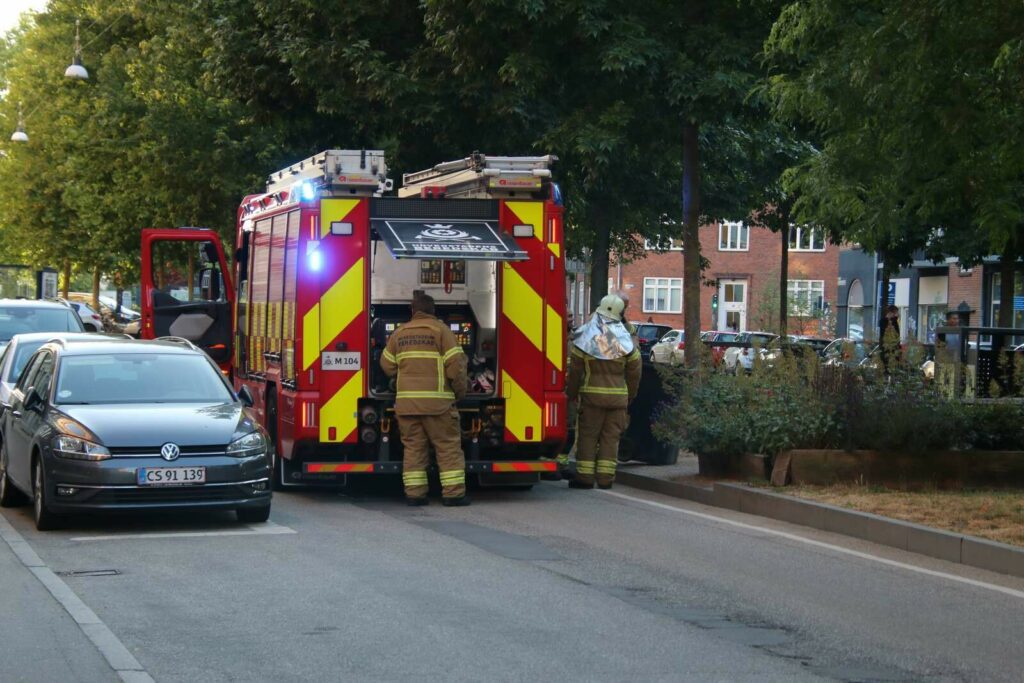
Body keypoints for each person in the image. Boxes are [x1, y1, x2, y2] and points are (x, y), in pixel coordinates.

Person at [381, 293, 470, 506]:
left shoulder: (399, 333)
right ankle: (453, 494)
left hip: (407, 406)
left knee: (413, 449)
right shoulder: (442, 331)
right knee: (447, 447)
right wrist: (460, 393)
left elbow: (386, 365)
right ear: (433, 311)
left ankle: (415, 495)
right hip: (438, 406)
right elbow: (456, 367)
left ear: (413, 311)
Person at [565, 294, 642, 489]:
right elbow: (635, 372)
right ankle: (606, 479)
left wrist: (571, 395)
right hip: (618, 400)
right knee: (611, 439)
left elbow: (575, 372)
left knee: (588, 437)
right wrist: (630, 395)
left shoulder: (584, 340)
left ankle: (585, 478)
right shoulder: (627, 344)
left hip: (591, 398)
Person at [879, 304, 901, 374]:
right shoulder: (884, 321)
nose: (897, 314)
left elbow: (897, 334)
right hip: (887, 348)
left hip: (894, 347)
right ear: (891, 312)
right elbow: (886, 332)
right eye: (896, 313)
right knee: (887, 366)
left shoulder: (894, 321)